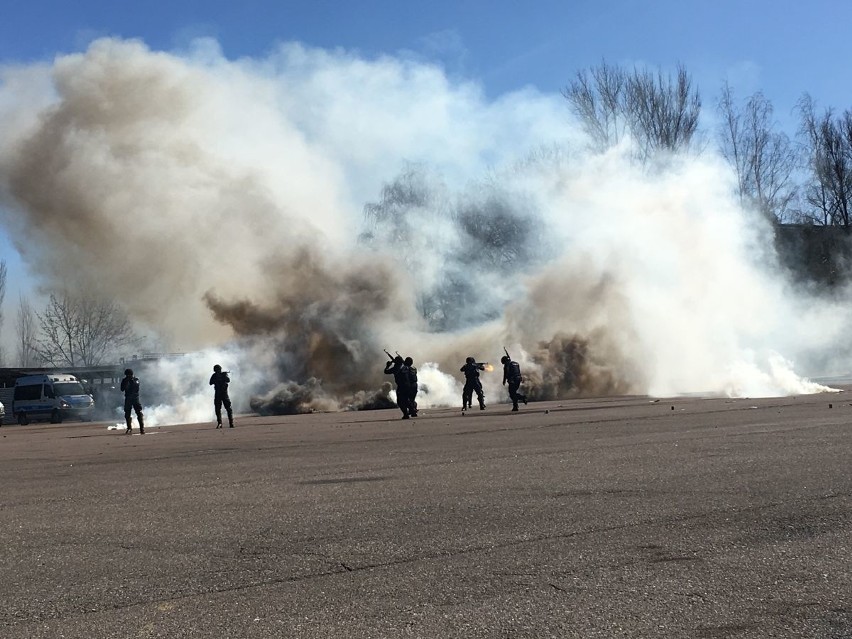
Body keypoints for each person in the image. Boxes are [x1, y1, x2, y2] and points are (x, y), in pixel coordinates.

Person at [384, 354, 413, 419]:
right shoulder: (405, 367)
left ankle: (406, 414)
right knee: (405, 399)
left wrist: (387, 365)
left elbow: (386, 371)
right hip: (408, 386)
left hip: (401, 386)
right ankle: (412, 409)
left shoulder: (396, 368)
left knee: (400, 402)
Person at [120, 368, 144, 435]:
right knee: (128, 414)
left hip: (134, 398)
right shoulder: (126, 380)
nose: (127, 376)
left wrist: (129, 381)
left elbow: (136, 387)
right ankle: (130, 428)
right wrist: (126, 382)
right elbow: (122, 389)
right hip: (130, 398)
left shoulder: (135, 380)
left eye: (128, 375)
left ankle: (141, 428)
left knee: (138, 413)